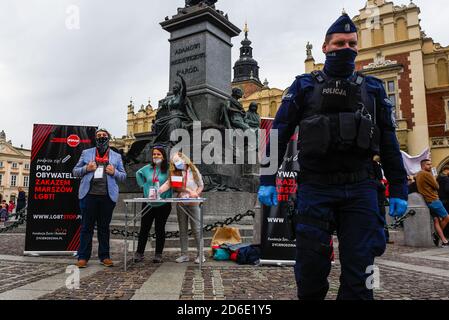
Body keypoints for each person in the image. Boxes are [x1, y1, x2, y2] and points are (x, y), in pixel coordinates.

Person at [258, 13, 408, 300]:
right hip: (316, 187)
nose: (346, 48)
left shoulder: (373, 88)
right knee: (310, 267)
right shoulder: (304, 85)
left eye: (352, 43)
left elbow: (388, 142)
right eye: (339, 43)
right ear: (325, 47)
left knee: (362, 269)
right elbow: (278, 132)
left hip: (361, 188)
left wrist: (399, 188)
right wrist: (267, 179)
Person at [73, 128, 127, 268]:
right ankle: (83, 257)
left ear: (108, 138)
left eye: (104, 135)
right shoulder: (86, 153)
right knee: (86, 227)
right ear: (95, 138)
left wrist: (114, 172)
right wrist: (86, 169)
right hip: (88, 196)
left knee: (104, 228)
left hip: (107, 197)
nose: (101, 137)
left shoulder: (116, 156)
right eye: (99, 136)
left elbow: (123, 176)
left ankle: (105, 256)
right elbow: (75, 171)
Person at [159, 152, 205, 264]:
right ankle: (184, 254)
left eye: (178, 161)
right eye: (174, 162)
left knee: (197, 229)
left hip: (193, 203)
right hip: (181, 203)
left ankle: (201, 254)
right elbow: (169, 184)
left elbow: (201, 185)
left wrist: (196, 194)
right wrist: (158, 191)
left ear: (184, 160)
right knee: (182, 229)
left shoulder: (194, 170)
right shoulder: (175, 172)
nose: (177, 164)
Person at [133, 146, 173, 264]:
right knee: (144, 228)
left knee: (159, 229)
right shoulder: (148, 168)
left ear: (163, 156)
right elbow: (138, 173)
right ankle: (139, 253)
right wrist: (143, 186)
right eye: (154, 154)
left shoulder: (169, 169)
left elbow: (174, 180)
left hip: (163, 203)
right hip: (148, 203)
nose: (156, 156)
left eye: (158, 154)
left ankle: (158, 254)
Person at [416, 159, 449, 247]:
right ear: (423, 165)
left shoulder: (418, 174)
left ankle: (444, 241)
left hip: (427, 200)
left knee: (436, 221)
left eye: (430, 164)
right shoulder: (427, 174)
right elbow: (437, 186)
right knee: (447, 218)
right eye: (428, 164)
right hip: (434, 200)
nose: (430, 166)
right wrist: (434, 176)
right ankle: (437, 235)